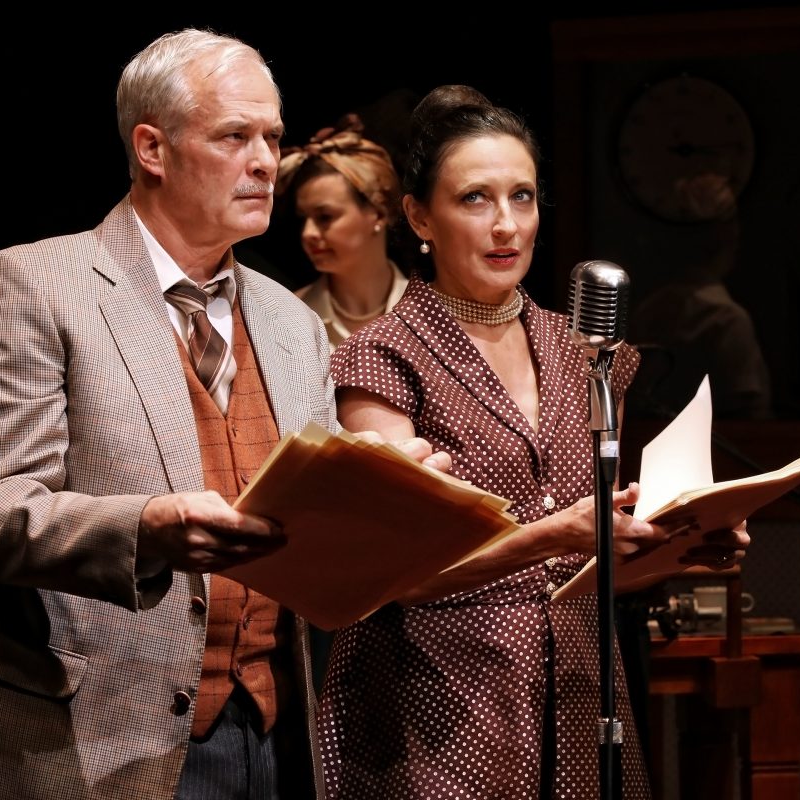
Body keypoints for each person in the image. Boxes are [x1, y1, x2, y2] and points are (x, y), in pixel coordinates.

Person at [0, 28, 448, 800]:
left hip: (273, 735)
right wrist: (147, 526)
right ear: (153, 147)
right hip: (99, 739)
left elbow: (306, 515)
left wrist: (382, 486)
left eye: (271, 137)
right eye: (234, 136)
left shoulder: (289, 320)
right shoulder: (37, 285)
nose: (263, 162)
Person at [316, 85, 751, 799]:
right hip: (437, 706)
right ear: (419, 216)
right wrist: (555, 534)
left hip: (578, 688)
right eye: (476, 199)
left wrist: (676, 547)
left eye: (522, 198)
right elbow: (389, 574)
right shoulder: (384, 356)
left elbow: (580, 566)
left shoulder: (581, 347)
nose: (505, 225)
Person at [628, 172, 773, 420]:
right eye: (732, 222)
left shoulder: (647, 312)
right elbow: (751, 422)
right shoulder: (727, 321)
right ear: (722, 235)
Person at [276, 113, 409, 350]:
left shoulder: (433, 311)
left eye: (325, 217)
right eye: (304, 218)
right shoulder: (289, 318)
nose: (308, 233)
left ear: (378, 213)